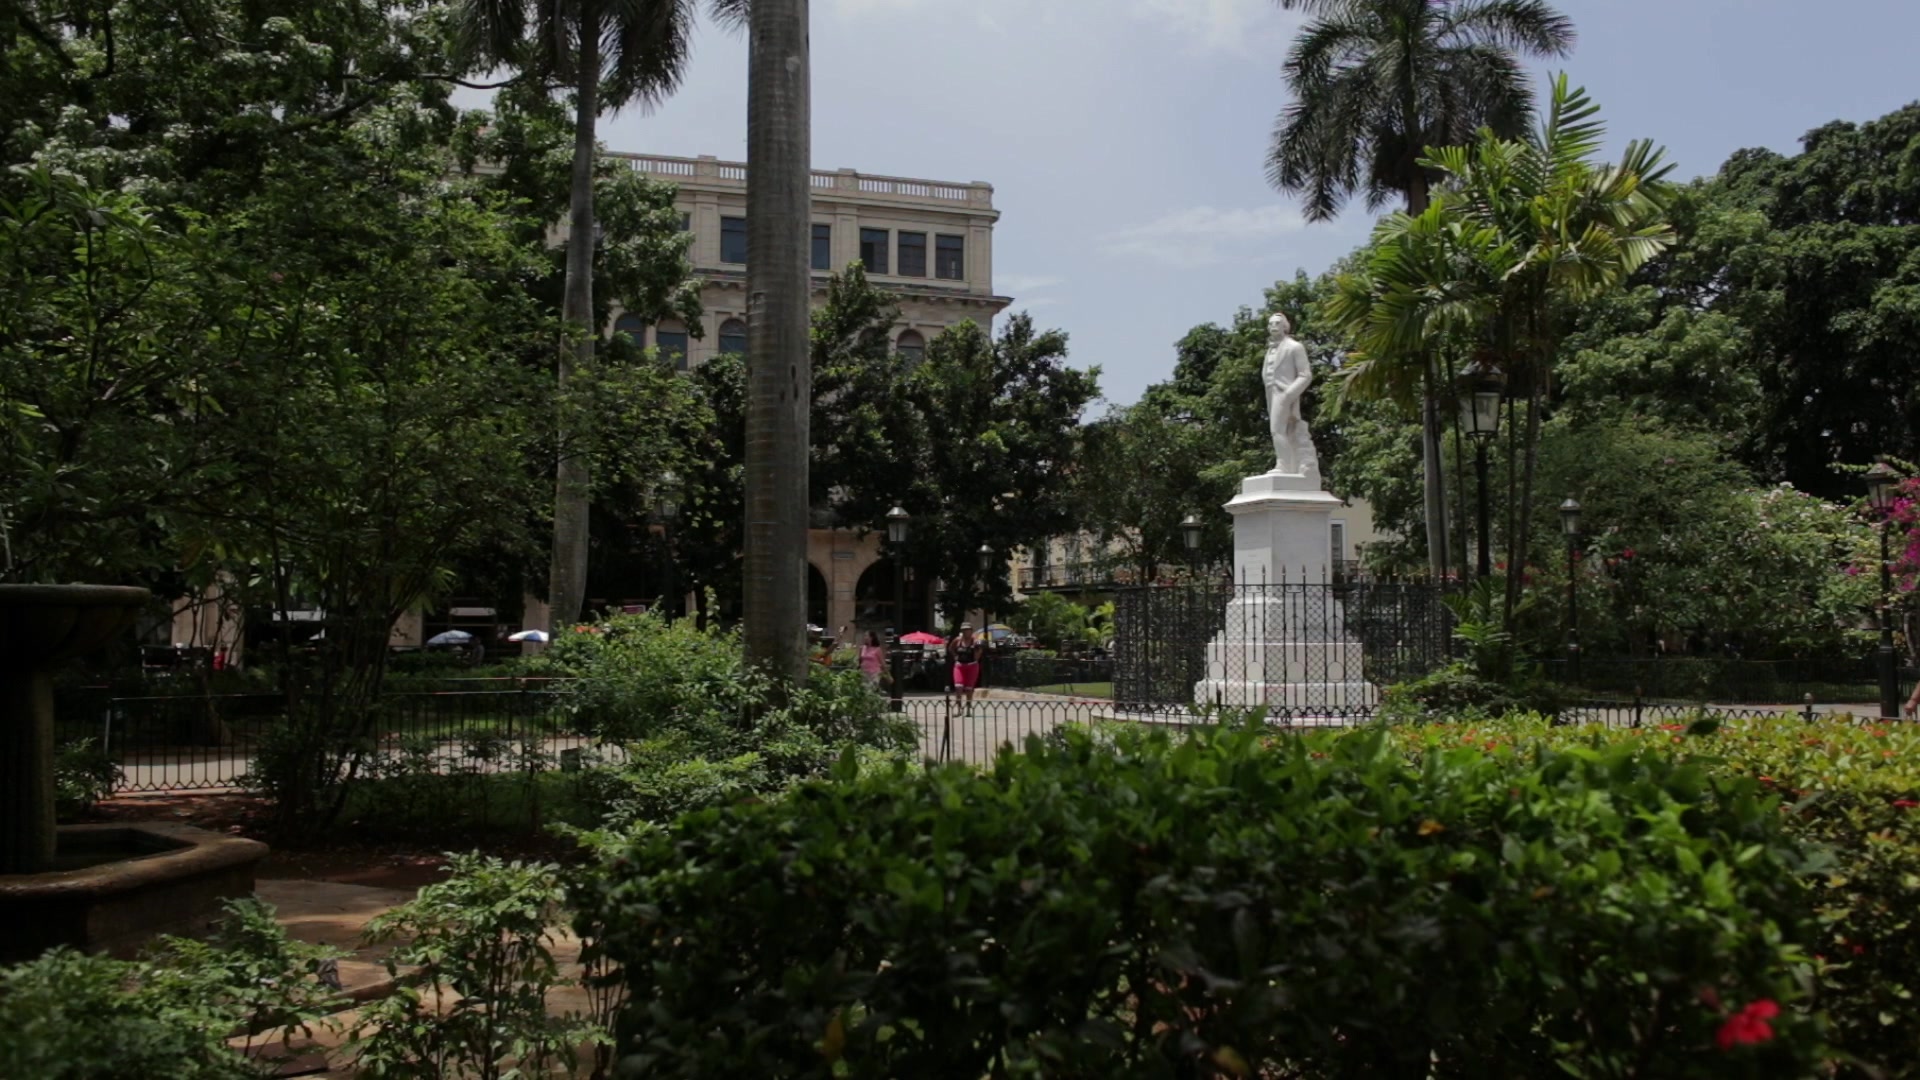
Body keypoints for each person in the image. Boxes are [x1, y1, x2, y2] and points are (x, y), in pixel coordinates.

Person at [949, 623, 984, 713]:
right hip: (959, 666)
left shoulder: (975, 641)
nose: (965, 632)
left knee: (969, 689)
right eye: (964, 630)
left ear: (971, 631)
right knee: (958, 687)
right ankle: (958, 708)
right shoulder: (957, 640)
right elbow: (951, 648)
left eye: (967, 630)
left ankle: (968, 707)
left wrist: (977, 651)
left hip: (972, 666)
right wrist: (955, 656)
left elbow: (979, 653)